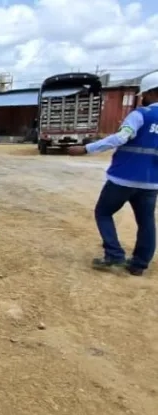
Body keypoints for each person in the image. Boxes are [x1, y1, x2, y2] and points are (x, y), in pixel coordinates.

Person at [67, 71, 158, 276]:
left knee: (103, 212)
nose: (141, 98)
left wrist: (86, 149)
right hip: (151, 183)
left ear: (150, 93)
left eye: (142, 94)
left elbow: (120, 138)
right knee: (146, 222)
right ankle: (139, 264)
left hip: (123, 178)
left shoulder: (140, 115)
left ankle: (114, 254)